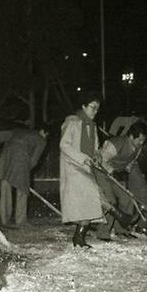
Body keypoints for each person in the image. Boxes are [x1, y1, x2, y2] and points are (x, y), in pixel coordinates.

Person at [59, 91, 107, 248]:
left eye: (97, 109)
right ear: (83, 106)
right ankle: (78, 238)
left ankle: (79, 238)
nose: (95, 112)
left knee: (90, 201)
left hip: (86, 167)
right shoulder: (72, 123)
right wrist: (82, 157)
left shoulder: (92, 126)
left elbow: (95, 148)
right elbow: (64, 145)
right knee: (86, 201)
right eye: (93, 108)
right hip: (73, 167)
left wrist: (96, 156)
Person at [94, 122, 147, 241]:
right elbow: (100, 161)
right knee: (111, 201)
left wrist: (126, 170)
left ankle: (121, 230)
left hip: (114, 174)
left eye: (143, 140)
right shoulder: (115, 144)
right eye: (139, 140)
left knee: (127, 198)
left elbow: (130, 162)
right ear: (131, 136)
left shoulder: (138, 148)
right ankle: (103, 233)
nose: (141, 143)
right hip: (101, 173)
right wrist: (112, 171)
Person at [0, 124, 49, 227]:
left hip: (7, 158)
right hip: (22, 159)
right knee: (22, 190)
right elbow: (34, 159)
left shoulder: (19, 131)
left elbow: (1, 135)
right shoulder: (41, 140)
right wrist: (27, 170)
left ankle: (5, 219)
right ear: (44, 132)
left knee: (5, 186)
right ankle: (20, 221)